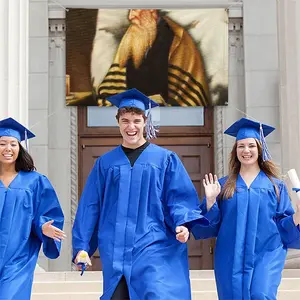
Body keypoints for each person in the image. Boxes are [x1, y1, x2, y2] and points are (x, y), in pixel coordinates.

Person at [72, 89, 212, 300]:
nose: (131, 127)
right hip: (116, 250)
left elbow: (179, 197)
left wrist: (183, 223)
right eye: (125, 121)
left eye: (136, 121)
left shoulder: (165, 160)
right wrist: (82, 247)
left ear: (145, 122)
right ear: (118, 122)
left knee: (156, 293)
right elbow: (91, 206)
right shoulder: (105, 164)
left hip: (154, 245)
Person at [191, 118, 300, 300]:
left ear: (260, 149)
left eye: (251, 146)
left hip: (267, 253)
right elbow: (210, 226)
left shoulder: (275, 186)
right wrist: (210, 201)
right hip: (230, 255)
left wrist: (298, 215)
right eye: (241, 146)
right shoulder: (224, 185)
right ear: (235, 151)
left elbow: (284, 226)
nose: (246, 151)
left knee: (261, 294)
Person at [0, 117, 65, 299]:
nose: (8, 149)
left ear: (20, 148)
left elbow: (46, 212)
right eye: (2, 143)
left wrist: (42, 227)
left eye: (13, 144)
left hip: (18, 259)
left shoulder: (35, 181)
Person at [97, 9, 210, 107]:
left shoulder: (178, 40)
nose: (130, 16)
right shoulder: (133, 35)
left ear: (152, 9)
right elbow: (113, 85)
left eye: (135, 9)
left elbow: (187, 99)